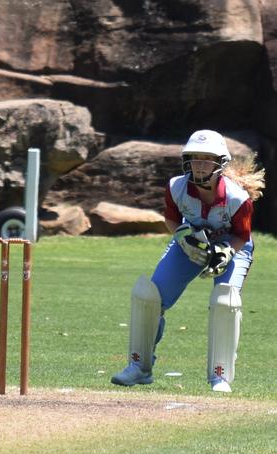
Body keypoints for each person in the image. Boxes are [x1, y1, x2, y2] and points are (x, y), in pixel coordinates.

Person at [111, 129, 265, 393]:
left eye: (207, 159)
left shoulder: (238, 199)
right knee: (151, 297)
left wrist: (226, 252)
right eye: (195, 159)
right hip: (189, 242)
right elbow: (171, 219)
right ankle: (139, 368)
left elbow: (242, 236)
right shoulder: (176, 187)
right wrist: (182, 235)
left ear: (220, 163)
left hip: (232, 245)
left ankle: (220, 376)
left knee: (225, 301)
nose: (199, 165)